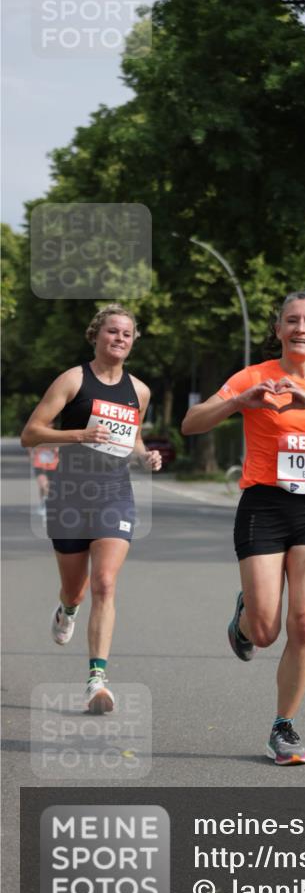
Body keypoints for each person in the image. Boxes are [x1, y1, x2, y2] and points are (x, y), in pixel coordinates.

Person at [182, 290, 305, 765]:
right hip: (264, 506)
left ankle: (282, 727)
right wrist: (237, 401)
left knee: (304, 621)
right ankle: (245, 619)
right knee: (266, 631)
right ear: (278, 329)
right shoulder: (253, 376)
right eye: (292, 320)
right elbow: (191, 423)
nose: (300, 328)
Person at [20, 304, 162, 714]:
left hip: (114, 493)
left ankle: (96, 680)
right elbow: (30, 434)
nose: (119, 338)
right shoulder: (73, 380)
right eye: (112, 331)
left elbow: (133, 440)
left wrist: (145, 456)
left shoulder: (140, 391)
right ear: (96, 335)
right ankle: (67, 609)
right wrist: (79, 434)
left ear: (133, 342)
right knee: (75, 589)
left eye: (127, 334)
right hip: (69, 494)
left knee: (104, 582)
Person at [29, 444, 59, 519]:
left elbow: (58, 449)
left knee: (49, 486)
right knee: (44, 485)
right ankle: (45, 504)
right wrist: (31, 456)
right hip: (39, 465)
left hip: (53, 465)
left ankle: (44, 502)